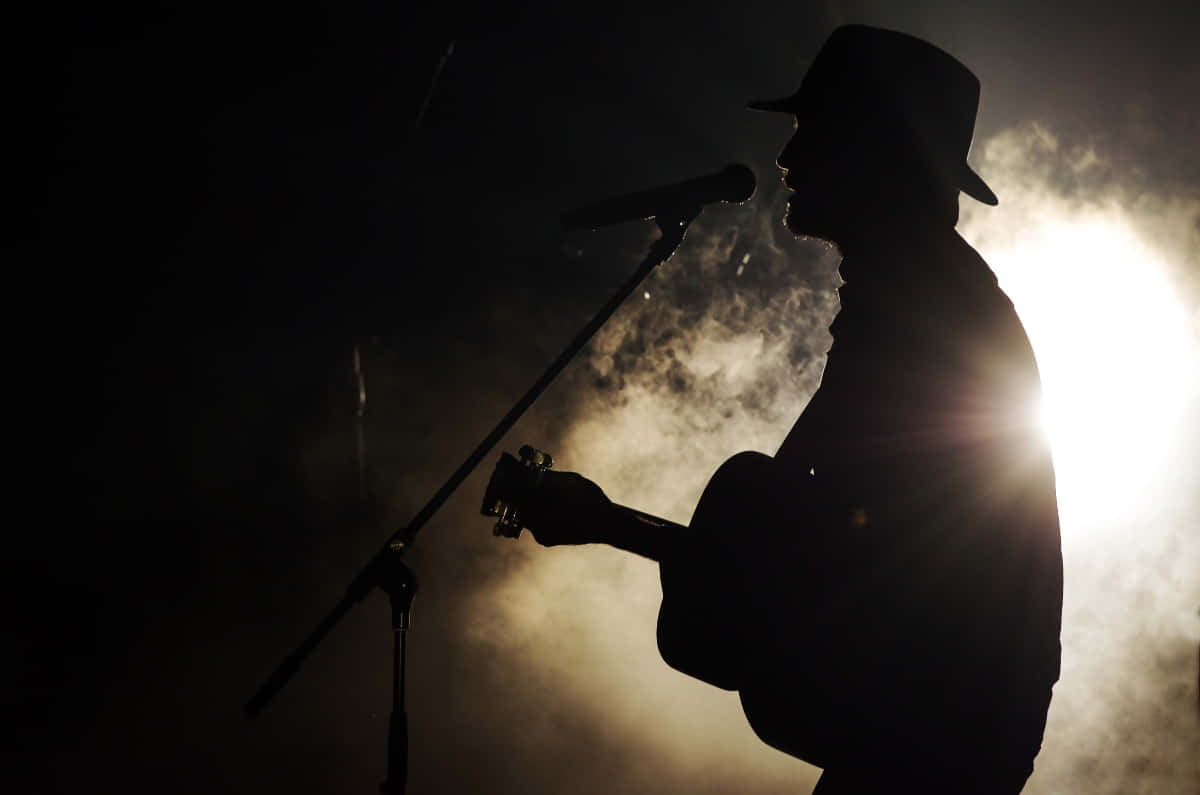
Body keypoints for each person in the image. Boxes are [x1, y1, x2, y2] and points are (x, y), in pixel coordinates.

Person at [518, 25, 1063, 794]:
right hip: (929, 736)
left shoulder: (927, 316)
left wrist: (609, 525)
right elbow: (834, 560)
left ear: (872, 153)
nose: (785, 159)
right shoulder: (918, 299)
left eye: (812, 133)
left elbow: (861, 569)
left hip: (930, 743)